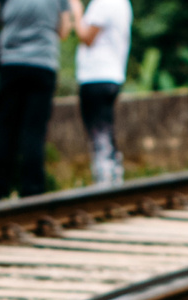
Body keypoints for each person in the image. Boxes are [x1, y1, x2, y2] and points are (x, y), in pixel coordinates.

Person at [0, 0, 77, 199]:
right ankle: (33, 192)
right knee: (34, 132)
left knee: (5, 130)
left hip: (11, 64)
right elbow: (64, 30)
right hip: (43, 65)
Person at [69, 0, 131, 187]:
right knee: (106, 130)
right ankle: (114, 178)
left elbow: (87, 37)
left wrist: (77, 13)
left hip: (96, 75)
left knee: (98, 133)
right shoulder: (123, 3)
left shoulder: (102, 3)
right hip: (113, 74)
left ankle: (104, 182)